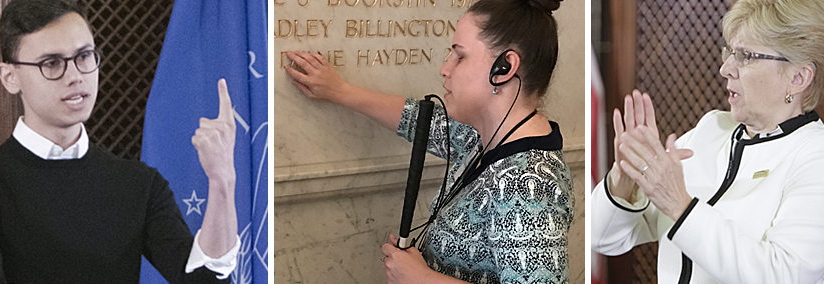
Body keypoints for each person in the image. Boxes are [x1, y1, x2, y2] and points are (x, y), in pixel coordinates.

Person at [284, 0, 573, 282]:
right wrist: (340, 91)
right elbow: (421, 122)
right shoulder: (485, 138)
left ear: (505, 67)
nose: (444, 69)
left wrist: (420, 278)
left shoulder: (528, 184)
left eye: (459, 56)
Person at [0, 0, 240, 282]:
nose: (76, 76)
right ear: (9, 77)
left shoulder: (139, 184)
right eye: (51, 63)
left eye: (84, 56)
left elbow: (203, 280)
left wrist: (222, 180)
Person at [591, 0, 824, 283]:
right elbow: (603, 239)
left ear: (798, 77)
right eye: (730, 52)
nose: (726, 68)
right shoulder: (709, 131)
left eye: (746, 56)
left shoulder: (814, 155)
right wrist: (623, 178)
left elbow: (784, 274)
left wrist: (680, 206)